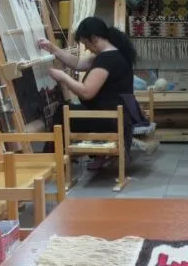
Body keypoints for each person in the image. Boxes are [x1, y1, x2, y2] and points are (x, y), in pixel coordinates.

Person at [40, 16, 136, 166]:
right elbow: (78, 63)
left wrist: (63, 77)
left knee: (62, 112)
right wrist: (53, 49)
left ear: (94, 38)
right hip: (118, 117)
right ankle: (75, 155)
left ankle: (51, 161)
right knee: (69, 110)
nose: (86, 48)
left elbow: (86, 92)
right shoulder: (114, 53)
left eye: (85, 43)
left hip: (110, 120)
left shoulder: (107, 59)